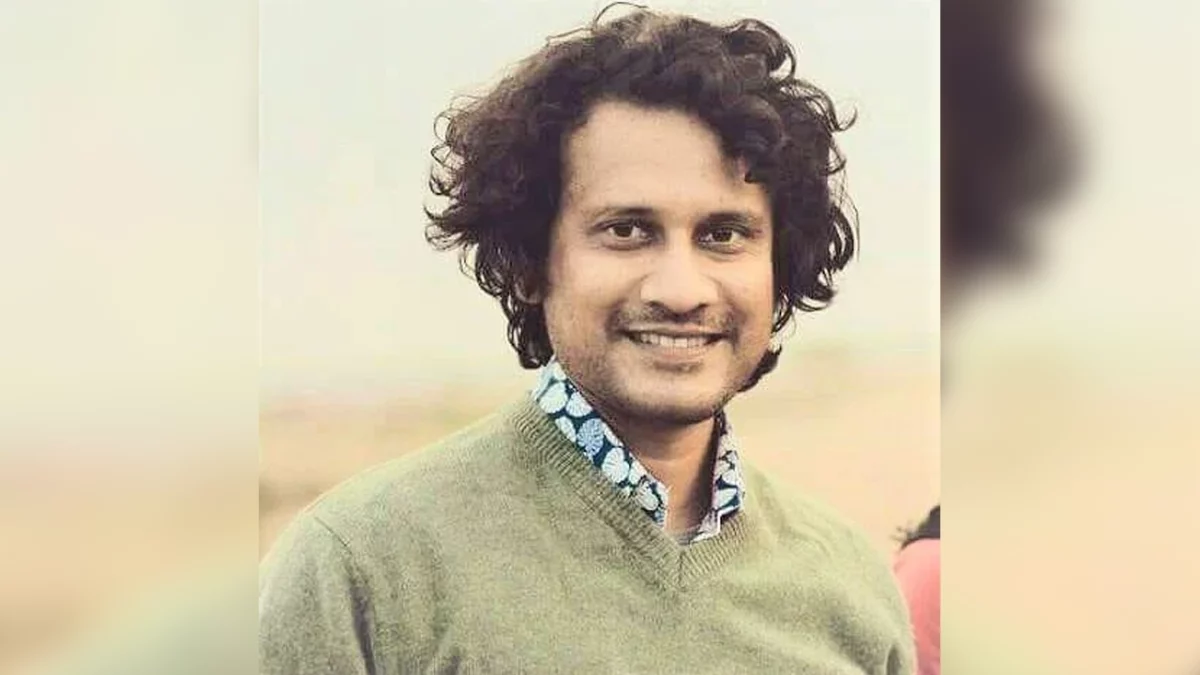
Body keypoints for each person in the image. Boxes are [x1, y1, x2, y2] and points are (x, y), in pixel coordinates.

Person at [259, 5, 915, 673]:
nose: (681, 290)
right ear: (530, 262)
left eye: (723, 234)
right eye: (627, 230)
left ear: (778, 267)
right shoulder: (361, 571)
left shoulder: (851, 590)